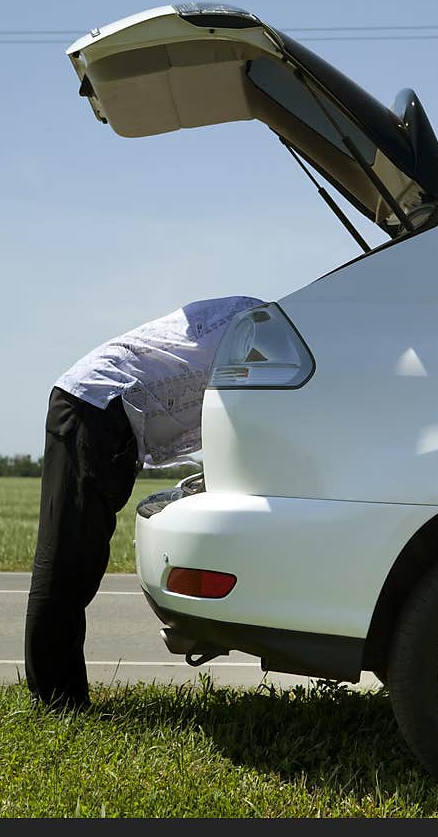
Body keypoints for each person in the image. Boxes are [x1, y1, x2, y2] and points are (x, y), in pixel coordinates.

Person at [25, 295, 263, 711]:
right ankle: (56, 701)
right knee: (68, 559)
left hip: (104, 406)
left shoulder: (256, 317)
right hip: (96, 405)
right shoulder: (269, 335)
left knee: (77, 557)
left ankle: (58, 694)